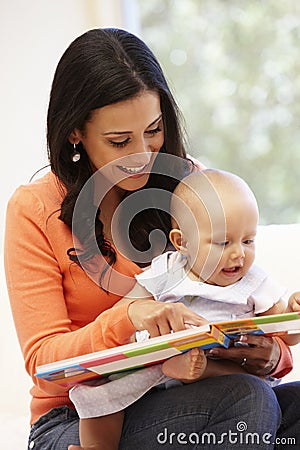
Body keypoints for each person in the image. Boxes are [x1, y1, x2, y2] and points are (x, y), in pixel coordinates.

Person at [3, 27, 300, 450]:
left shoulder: (189, 185)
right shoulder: (34, 209)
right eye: (119, 141)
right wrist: (129, 317)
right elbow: (43, 360)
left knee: (276, 401)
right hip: (82, 419)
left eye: (154, 130)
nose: (144, 153)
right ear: (75, 133)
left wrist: (271, 356)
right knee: (244, 401)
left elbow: (241, 294)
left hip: (193, 388)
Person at [69, 168, 300, 449]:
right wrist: (139, 323)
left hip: (226, 370)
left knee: (258, 389)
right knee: (102, 395)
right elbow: (126, 312)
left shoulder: (253, 281)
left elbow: (284, 331)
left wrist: (294, 309)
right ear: (182, 243)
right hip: (162, 374)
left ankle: (202, 371)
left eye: (248, 241)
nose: (239, 253)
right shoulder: (166, 271)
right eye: (223, 242)